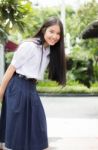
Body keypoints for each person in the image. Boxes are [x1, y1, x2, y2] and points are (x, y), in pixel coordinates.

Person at [0, 16, 66, 150]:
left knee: (38, 128)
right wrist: (0, 94)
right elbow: (10, 70)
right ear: (43, 30)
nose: (54, 36)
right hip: (17, 86)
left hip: (31, 88)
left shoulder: (49, 51)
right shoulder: (29, 46)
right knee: (17, 132)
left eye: (58, 33)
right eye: (51, 31)